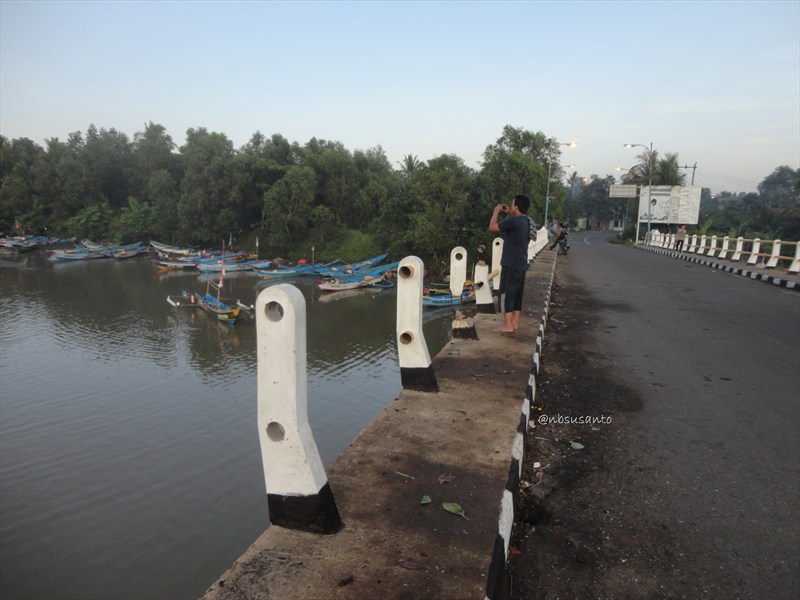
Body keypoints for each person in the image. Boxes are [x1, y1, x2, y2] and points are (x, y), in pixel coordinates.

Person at [489, 194, 531, 333]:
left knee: (506, 294)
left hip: (510, 263)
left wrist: (496, 211)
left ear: (516, 207)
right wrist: (509, 213)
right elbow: (512, 225)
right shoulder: (525, 221)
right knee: (517, 294)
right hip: (521, 263)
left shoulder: (514, 220)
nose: (511, 206)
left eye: (513, 204)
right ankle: (514, 323)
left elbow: (492, 228)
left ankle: (507, 326)